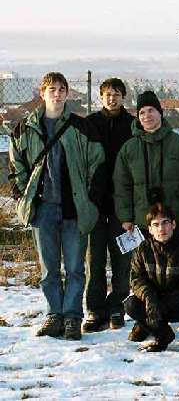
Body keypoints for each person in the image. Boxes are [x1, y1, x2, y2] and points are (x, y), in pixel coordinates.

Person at [9, 72, 106, 340]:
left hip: (75, 208)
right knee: (49, 268)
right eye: (52, 89)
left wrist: (92, 201)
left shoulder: (81, 127)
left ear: (67, 93)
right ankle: (54, 315)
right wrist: (21, 198)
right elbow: (16, 167)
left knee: (75, 267)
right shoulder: (25, 128)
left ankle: (73, 317)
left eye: (62, 89)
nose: (57, 94)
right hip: (42, 209)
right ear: (42, 93)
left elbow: (97, 165)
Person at [83, 77, 135, 333]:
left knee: (122, 259)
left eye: (116, 94)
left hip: (123, 204)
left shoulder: (132, 124)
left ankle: (118, 306)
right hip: (94, 203)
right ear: (100, 97)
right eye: (107, 94)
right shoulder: (90, 123)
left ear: (123, 96)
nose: (111, 98)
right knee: (94, 259)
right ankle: (94, 309)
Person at [125, 203, 179, 353]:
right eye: (156, 225)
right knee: (131, 304)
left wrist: (169, 300)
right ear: (150, 229)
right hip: (156, 302)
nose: (161, 228)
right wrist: (150, 298)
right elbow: (136, 279)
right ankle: (162, 334)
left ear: (173, 224)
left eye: (165, 223)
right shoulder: (142, 249)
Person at [114, 91, 179, 234]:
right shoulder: (129, 148)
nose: (146, 116)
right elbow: (122, 186)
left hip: (172, 219)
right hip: (141, 222)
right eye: (142, 112)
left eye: (151, 110)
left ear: (160, 113)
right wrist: (126, 217)